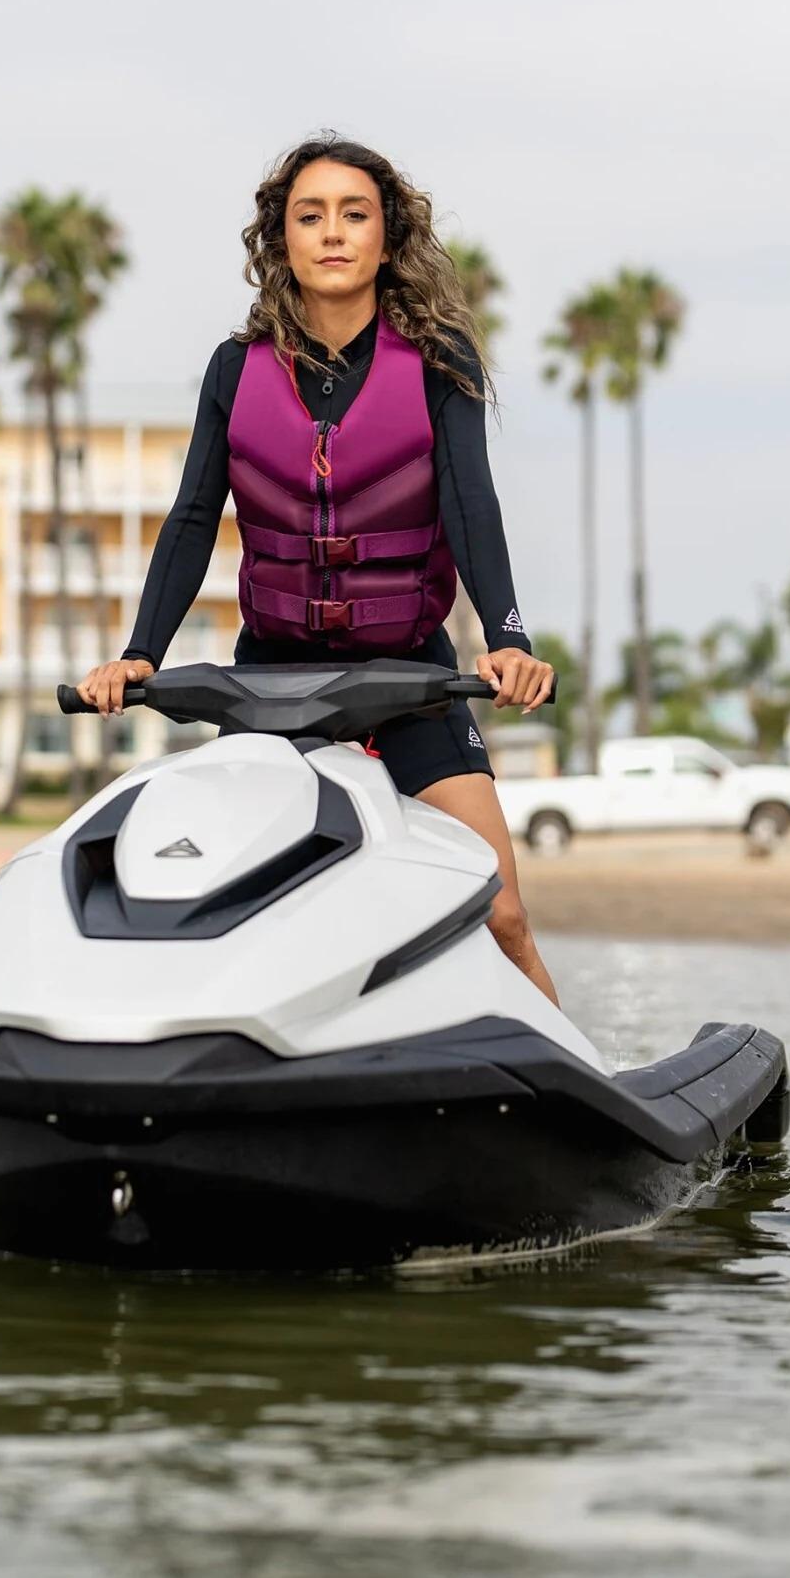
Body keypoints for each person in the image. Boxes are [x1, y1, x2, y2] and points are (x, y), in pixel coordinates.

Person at [75, 135, 561, 1005]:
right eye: (310, 215)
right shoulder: (235, 368)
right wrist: (139, 651)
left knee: (501, 913)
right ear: (281, 239)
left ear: (386, 236)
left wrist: (507, 638)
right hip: (269, 681)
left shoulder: (440, 358)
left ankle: (576, 1106)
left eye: (353, 213)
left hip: (407, 674)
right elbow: (193, 515)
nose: (331, 232)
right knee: (221, 901)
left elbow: (469, 502)